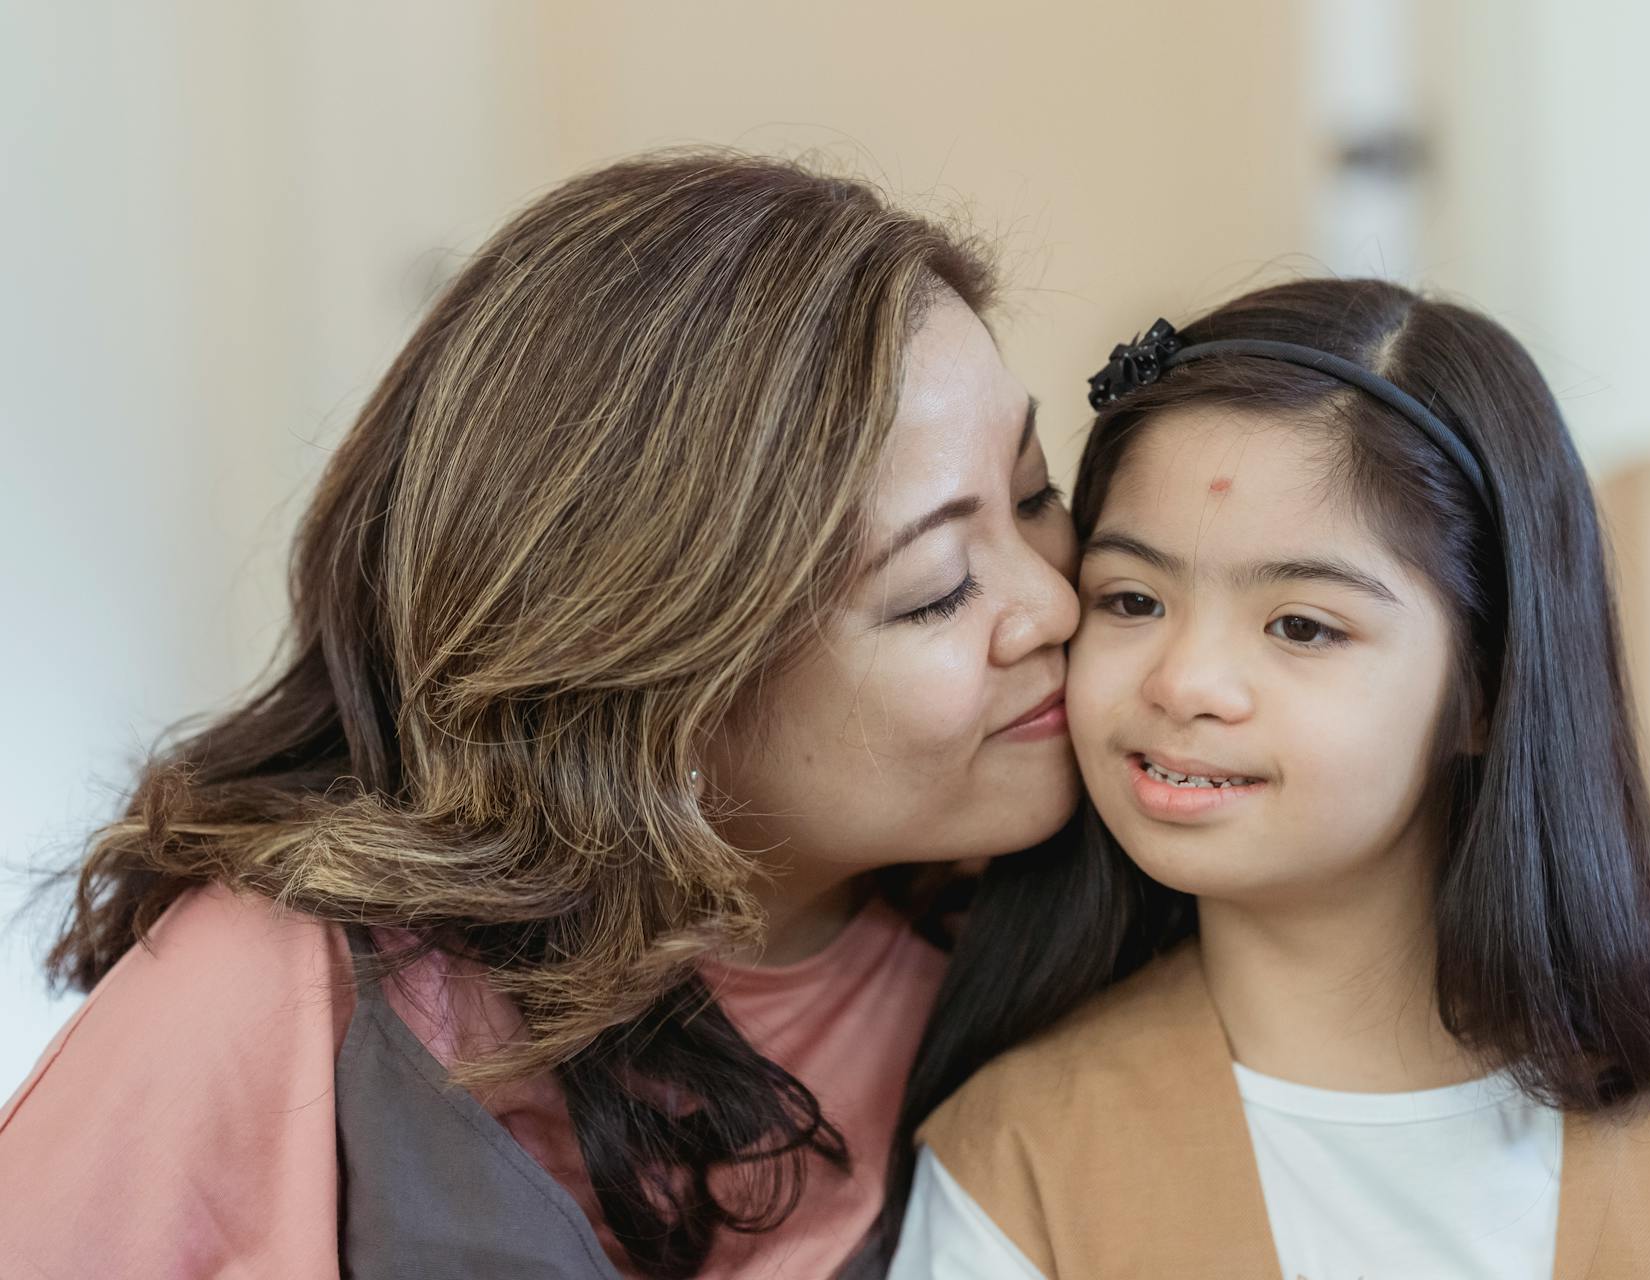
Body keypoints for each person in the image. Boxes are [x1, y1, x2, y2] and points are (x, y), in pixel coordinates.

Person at [0, 150, 1080, 1280]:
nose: (1055, 602)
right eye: (937, 588)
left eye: (1037, 493)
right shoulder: (282, 980)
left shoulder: (1055, 954)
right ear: (657, 680)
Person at [878, 278, 1650, 1279]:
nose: (1184, 681)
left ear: (1486, 688)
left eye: (1301, 624)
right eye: (1132, 598)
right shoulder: (1018, 1160)